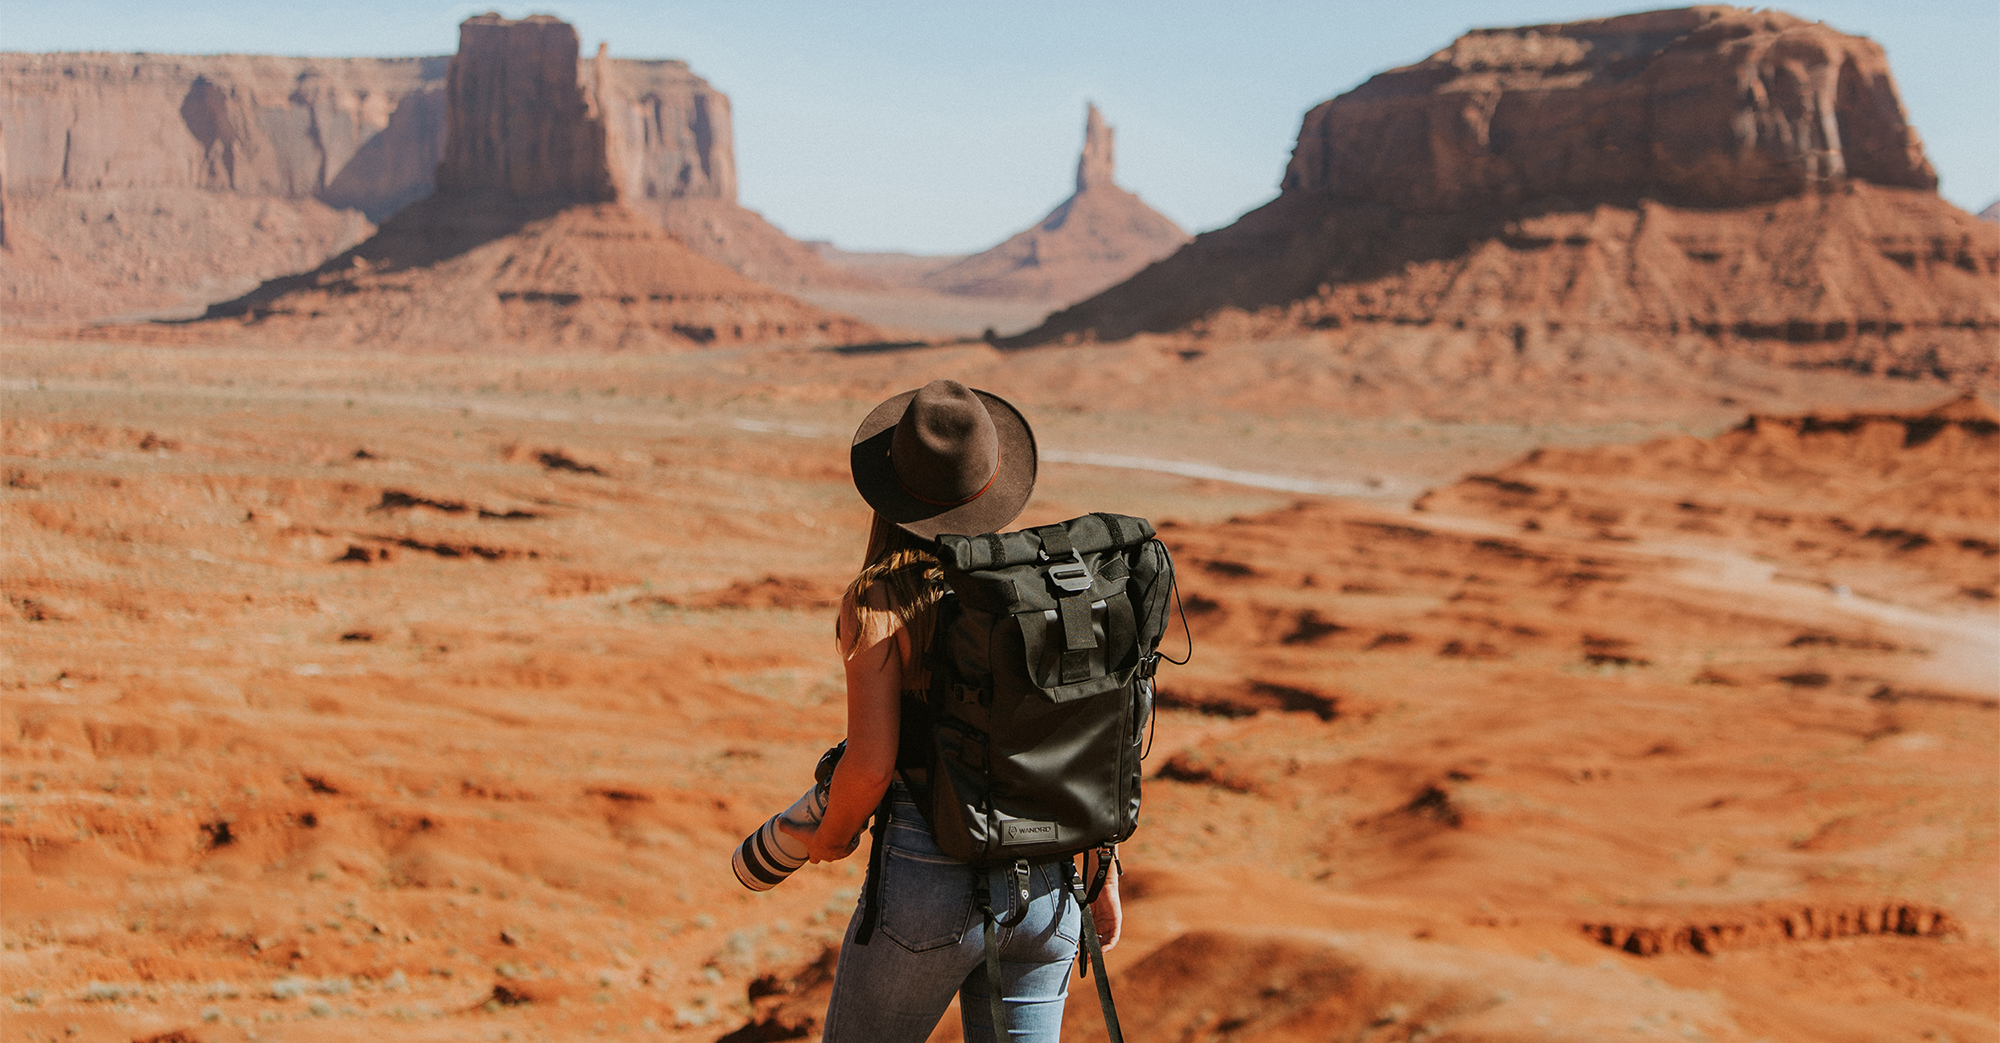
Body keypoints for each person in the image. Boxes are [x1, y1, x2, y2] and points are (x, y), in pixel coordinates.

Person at [781, 379, 1122, 1042]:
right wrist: (1101, 868)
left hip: (928, 884)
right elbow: (1083, 741)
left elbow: (872, 766)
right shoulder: (1043, 589)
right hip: (1049, 886)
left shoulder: (882, 599)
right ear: (993, 485)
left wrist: (830, 834)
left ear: (890, 493)